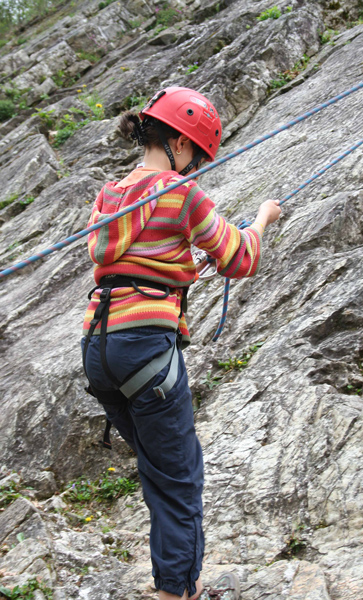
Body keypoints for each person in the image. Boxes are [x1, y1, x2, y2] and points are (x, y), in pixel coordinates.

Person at [81, 86, 281, 600]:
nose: (194, 168)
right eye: (196, 155)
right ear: (181, 144)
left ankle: (174, 578)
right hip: (147, 348)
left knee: (159, 471)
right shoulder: (181, 192)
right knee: (178, 480)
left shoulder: (109, 194)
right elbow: (239, 258)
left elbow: (128, 256)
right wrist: (261, 220)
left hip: (100, 348)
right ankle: (175, 592)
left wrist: (182, 264)